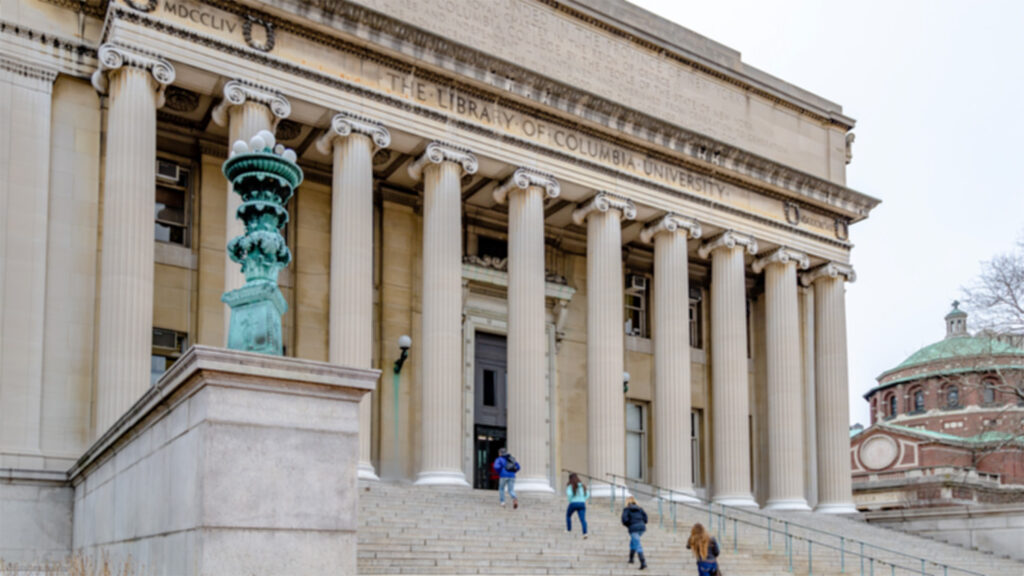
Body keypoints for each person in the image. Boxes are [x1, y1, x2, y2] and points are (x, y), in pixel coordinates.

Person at [621, 496, 648, 570]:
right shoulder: (640, 509)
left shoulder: (627, 509)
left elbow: (624, 520)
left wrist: (629, 525)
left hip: (634, 528)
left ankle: (643, 562)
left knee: (637, 544)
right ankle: (631, 558)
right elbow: (646, 518)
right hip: (642, 528)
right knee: (634, 541)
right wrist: (642, 523)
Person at [565, 473, 589, 538]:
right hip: (582, 503)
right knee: (583, 519)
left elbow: (569, 495)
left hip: (573, 503)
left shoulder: (570, 486)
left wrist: (571, 500)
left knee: (568, 515)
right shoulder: (582, 486)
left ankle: (569, 529)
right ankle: (585, 533)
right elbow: (587, 494)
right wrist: (583, 499)